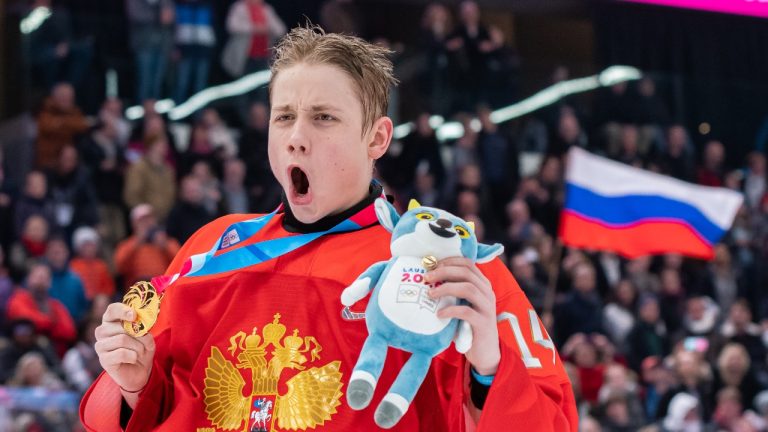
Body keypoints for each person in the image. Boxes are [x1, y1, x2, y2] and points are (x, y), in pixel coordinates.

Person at [81, 26, 578, 431]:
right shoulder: (212, 249)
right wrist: (134, 386)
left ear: (377, 137)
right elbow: (158, 409)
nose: (297, 138)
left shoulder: (447, 266)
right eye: (285, 117)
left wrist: (488, 368)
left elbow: (550, 421)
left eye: (323, 118)